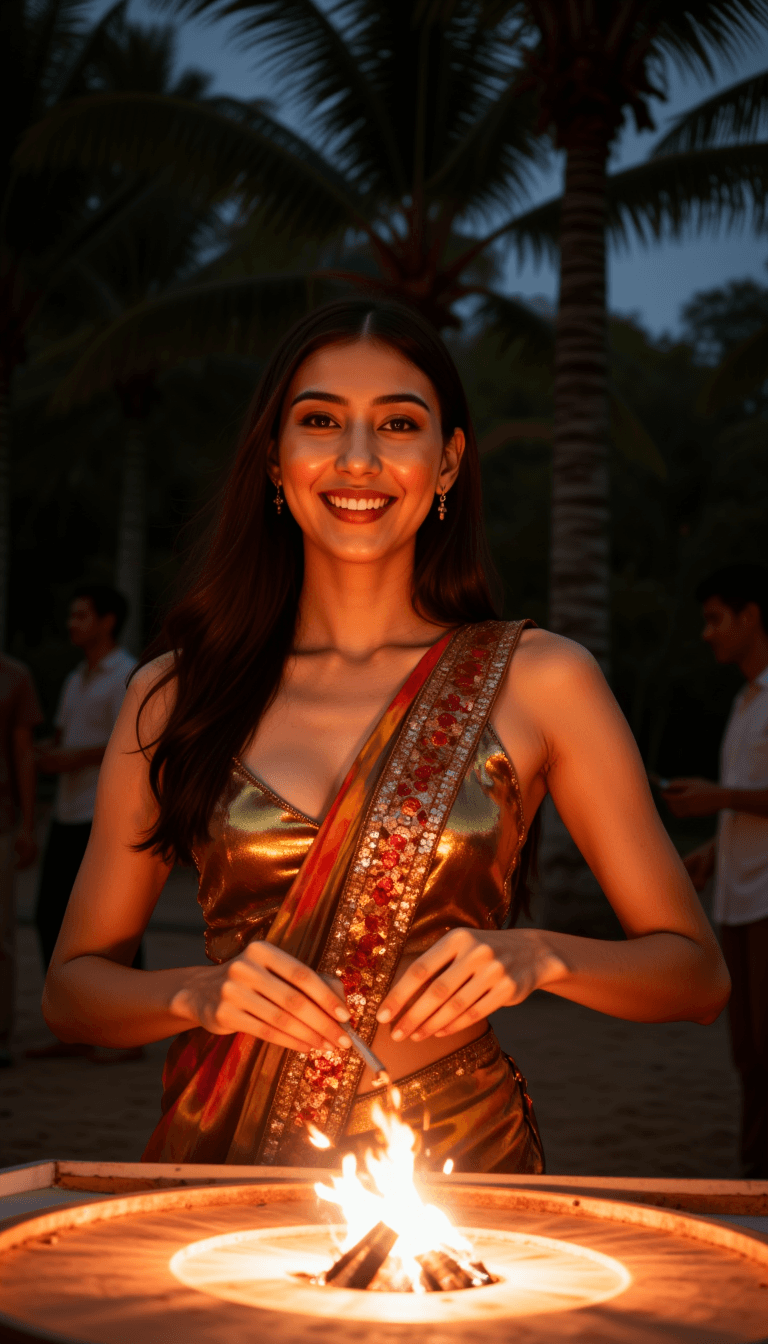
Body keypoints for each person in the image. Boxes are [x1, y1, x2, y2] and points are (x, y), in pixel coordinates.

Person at [41, 301, 729, 1172]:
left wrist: (540, 955)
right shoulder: (177, 694)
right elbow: (72, 993)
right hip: (224, 1166)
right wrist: (199, 993)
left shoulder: (541, 680)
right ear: (273, 457)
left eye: (398, 424)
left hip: (459, 1172)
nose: (358, 458)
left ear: (448, 461)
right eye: (321, 420)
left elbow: (696, 978)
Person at [662, 563, 768, 1178]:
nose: (707, 634)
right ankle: (754, 1172)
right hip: (740, 895)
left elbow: (743, 796)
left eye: (715, 619)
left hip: (766, 900)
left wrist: (719, 798)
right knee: (749, 1050)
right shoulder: (746, 699)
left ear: (750, 616)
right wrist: (713, 848)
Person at [31, 585, 137, 1060]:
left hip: (103, 815)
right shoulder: (77, 677)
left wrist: (72, 759)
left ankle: (127, 1032)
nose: (72, 624)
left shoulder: (126, 675)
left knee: (117, 925)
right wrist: (45, 753)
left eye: (81, 616)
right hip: (66, 811)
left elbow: (130, 742)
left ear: (107, 621)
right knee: (50, 915)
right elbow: (62, 734)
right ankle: (73, 1025)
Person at [0, 655, 43, 1067]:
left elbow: (22, 751)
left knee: (1, 934)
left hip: (0, 819)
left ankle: (0, 1031)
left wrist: (27, 825)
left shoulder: (13, 676)